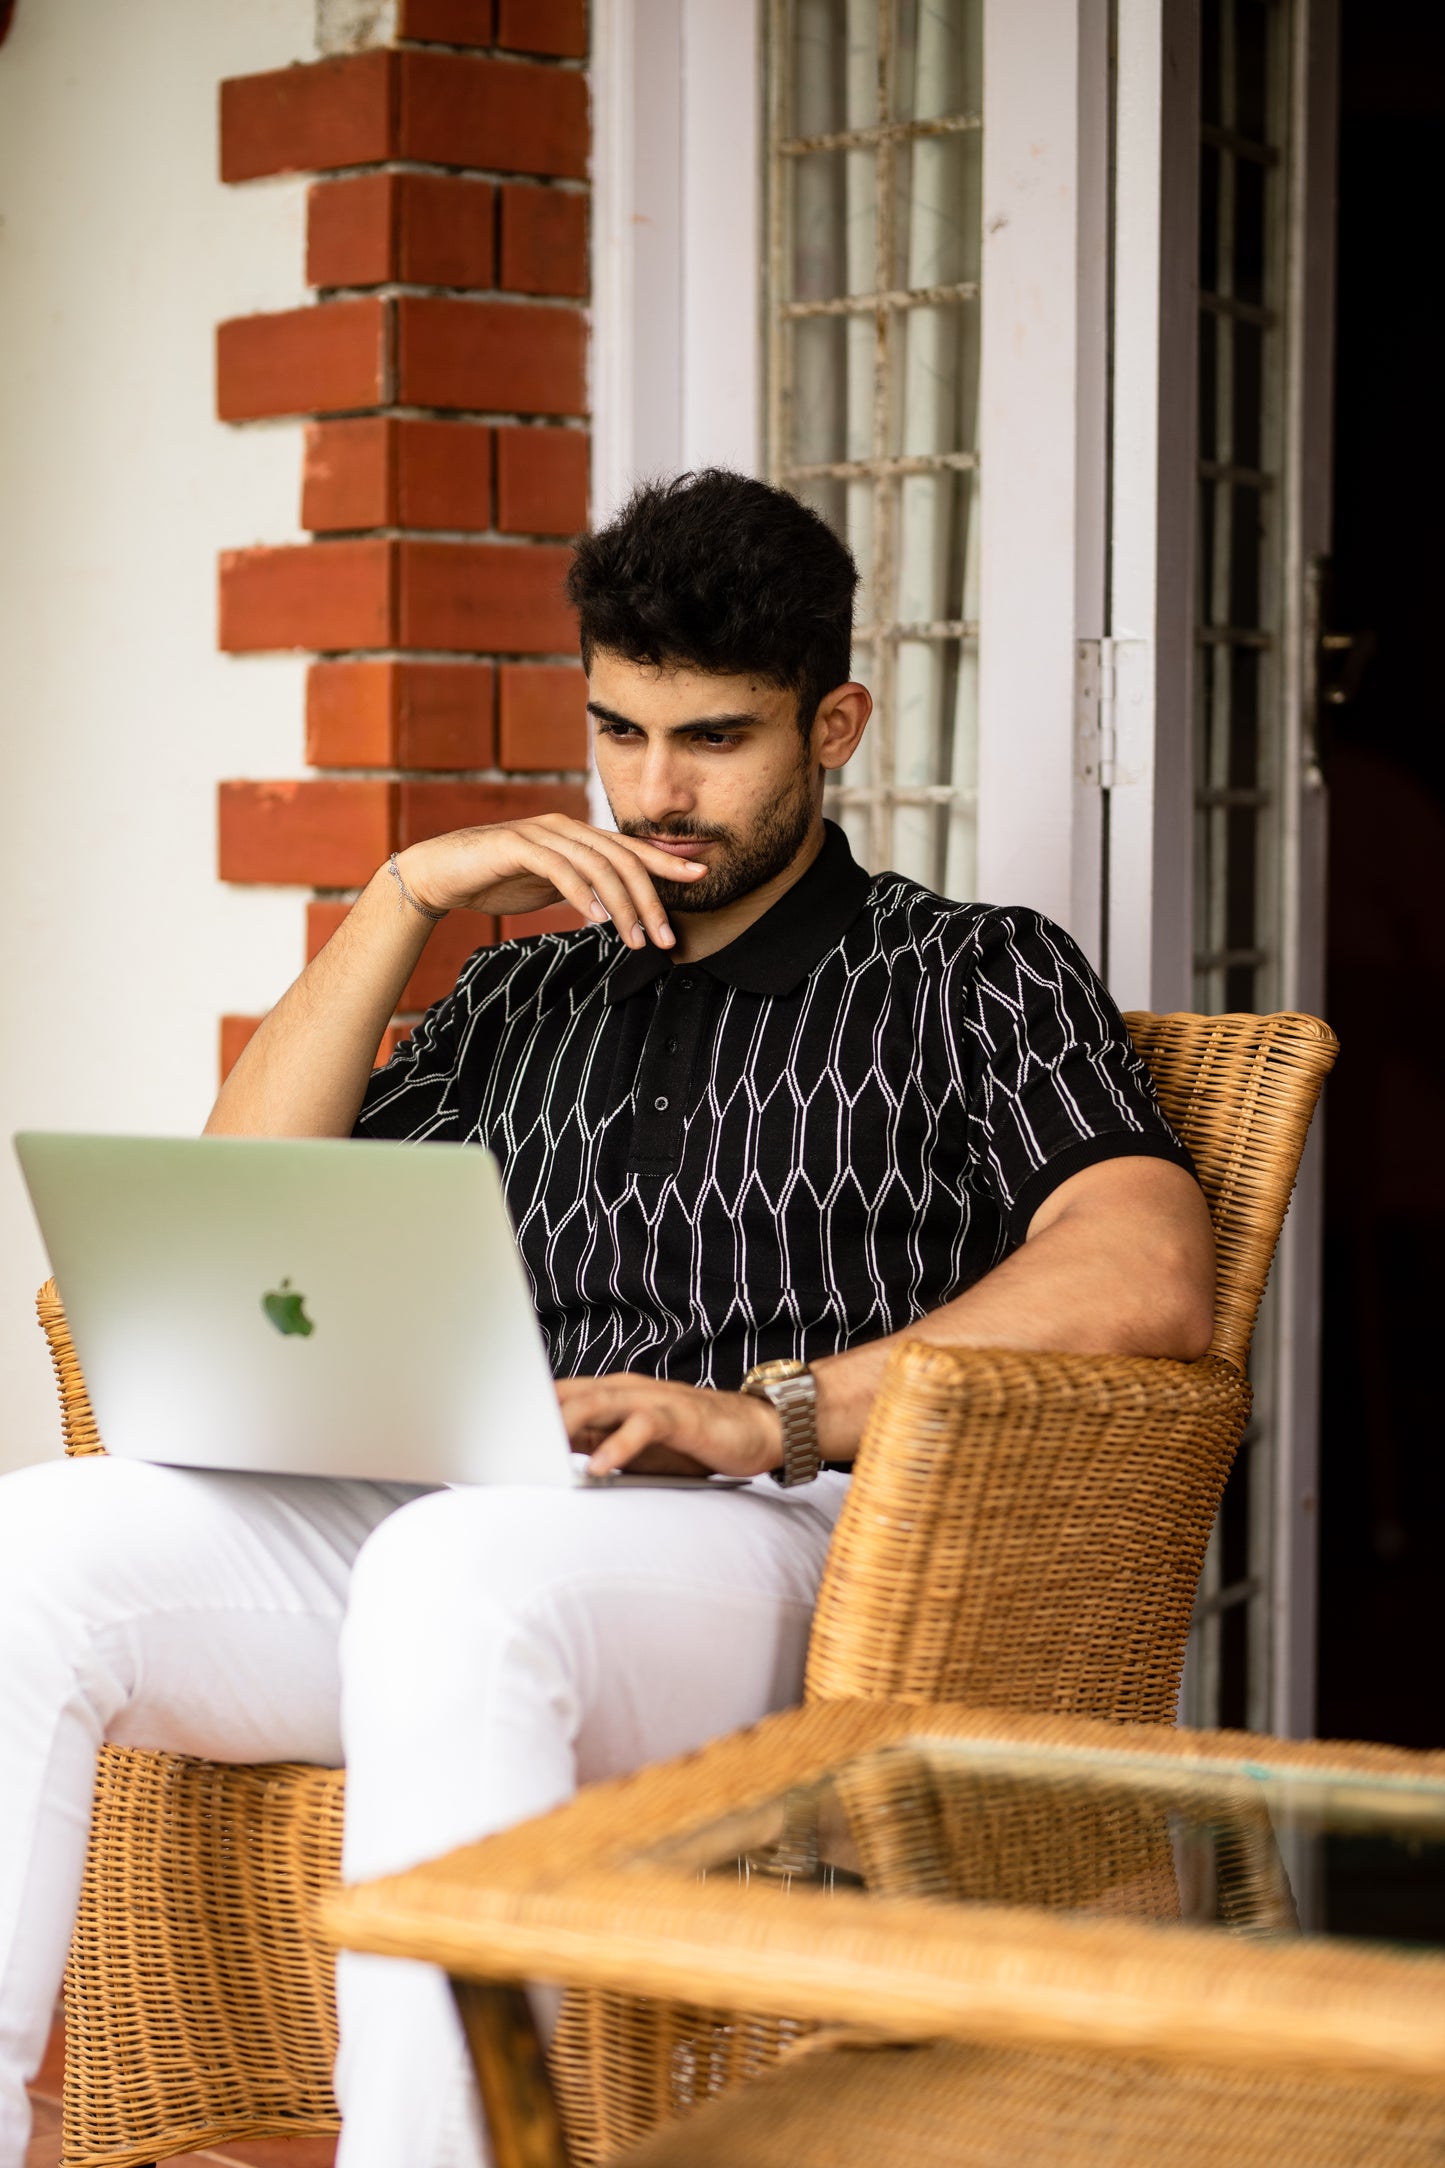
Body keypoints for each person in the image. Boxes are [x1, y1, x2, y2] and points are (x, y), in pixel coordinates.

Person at [0, 470, 1213, 2167]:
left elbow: (1145, 1266)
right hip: (477, 1512)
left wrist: (771, 1410)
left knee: (455, 1575)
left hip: (788, 1534)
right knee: (30, 1550)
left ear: (834, 724)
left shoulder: (969, 974)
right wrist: (401, 901)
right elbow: (242, 1200)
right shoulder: (521, 988)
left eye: (712, 738)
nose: (656, 791)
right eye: (619, 732)